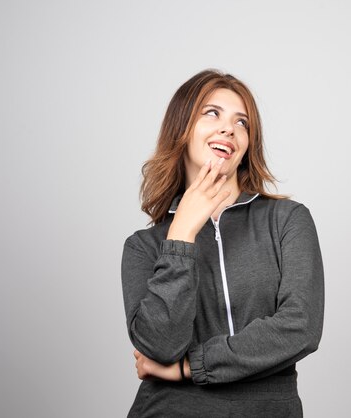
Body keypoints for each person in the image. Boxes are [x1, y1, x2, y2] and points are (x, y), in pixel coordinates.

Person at [120, 69, 325, 417]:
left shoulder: (287, 220)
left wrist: (189, 368)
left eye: (242, 122)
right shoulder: (144, 246)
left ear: (246, 145)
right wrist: (181, 233)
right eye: (211, 113)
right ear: (181, 130)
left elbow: (300, 328)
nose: (228, 128)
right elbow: (160, 346)